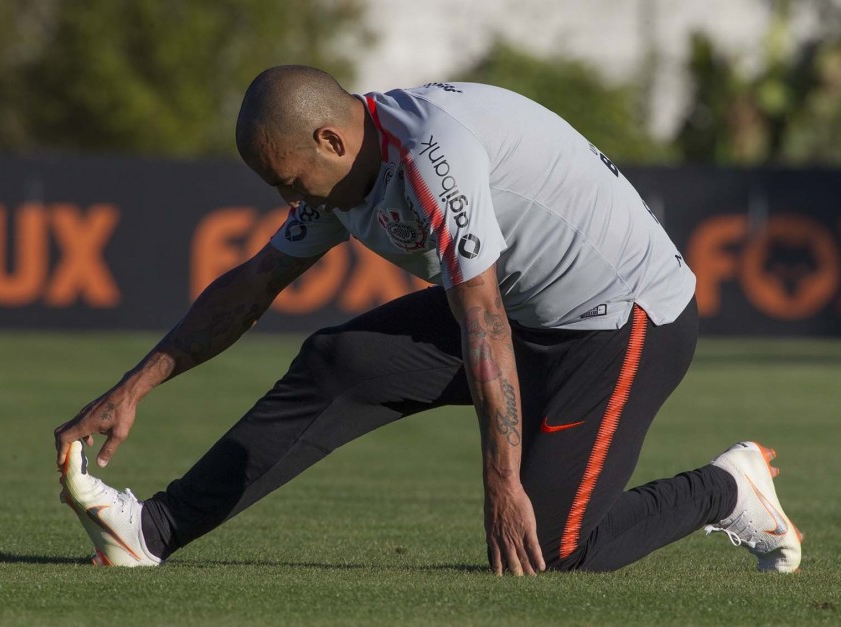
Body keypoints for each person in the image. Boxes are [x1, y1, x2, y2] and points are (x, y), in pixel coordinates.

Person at [54, 65, 802, 574]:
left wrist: (501, 481)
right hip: (520, 310)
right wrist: (134, 386)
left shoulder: (433, 155)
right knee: (339, 361)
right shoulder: (344, 172)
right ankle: (150, 531)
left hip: (625, 319)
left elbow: (480, 320)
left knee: (546, 545)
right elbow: (253, 283)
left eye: (289, 182)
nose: (293, 202)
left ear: (330, 141)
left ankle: (726, 488)